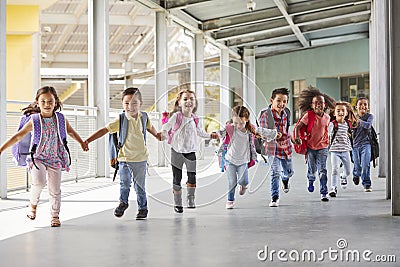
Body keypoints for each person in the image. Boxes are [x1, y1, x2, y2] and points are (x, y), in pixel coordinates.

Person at [0, 86, 88, 227]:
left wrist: (82, 142)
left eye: (50, 101)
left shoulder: (60, 119)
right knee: (39, 183)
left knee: (55, 189)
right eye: (43, 102)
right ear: (37, 103)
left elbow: (71, 132)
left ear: (56, 102)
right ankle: (33, 205)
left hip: (55, 158)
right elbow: (17, 137)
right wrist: (1, 149)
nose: (47, 105)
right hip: (37, 158)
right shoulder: (34, 120)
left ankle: (55, 216)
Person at [84, 87, 160, 220]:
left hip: (141, 159)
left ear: (141, 103)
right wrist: (87, 141)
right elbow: (104, 130)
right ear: (122, 104)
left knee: (140, 186)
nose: (131, 106)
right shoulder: (121, 119)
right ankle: (123, 203)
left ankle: (143, 208)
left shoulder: (144, 117)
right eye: (127, 103)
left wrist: (159, 136)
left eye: (134, 103)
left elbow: (151, 129)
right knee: (124, 183)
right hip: (124, 158)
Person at [161, 89, 218, 213]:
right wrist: (164, 133)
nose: (189, 101)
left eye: (191, 99)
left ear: (195, 102)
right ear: (179, 102)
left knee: (192, 177)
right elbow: (166, 126)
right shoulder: (177, 116)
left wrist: (210, 135)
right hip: (177, 151)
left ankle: (190, 198)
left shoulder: (195, 119)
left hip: (191, 152)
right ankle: (177, 202)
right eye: (185, 99)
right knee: (177, 178)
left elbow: (200, 132)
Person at [218, 106, 277, 209]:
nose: (238, 126)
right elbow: (220, 133)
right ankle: (230, 200)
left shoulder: (250, 129)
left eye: (241, 123)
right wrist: (213, 135)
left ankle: (243, 185)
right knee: (232, 182)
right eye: (236, 123)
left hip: (243, 161)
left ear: (247, 120)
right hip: (230, 160)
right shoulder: (230, 128)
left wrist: (274, 133)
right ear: (233, 120)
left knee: (244, 181)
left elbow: (262, 131)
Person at [293, 86, 335, 202]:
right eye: (316, 103)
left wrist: (329, 140)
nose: (318, 105)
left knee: (322, 170)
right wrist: (297, 138)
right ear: (312, 105)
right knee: (312, 170)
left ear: (325, 105)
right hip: (311, 147)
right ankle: (311, 179)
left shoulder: (327, 118)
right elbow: (298, 127)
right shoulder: (309, 116)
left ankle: (324, 192)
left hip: (323, 147)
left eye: (321, 103)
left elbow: (327, 130)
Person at [259, 87, 294, 207]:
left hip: (286, 147)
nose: (281, 104)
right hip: (272, 148)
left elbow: (287, 129)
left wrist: (292, 138)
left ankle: (285, 179)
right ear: (271, 100)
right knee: (275, 172)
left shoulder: (287, 113)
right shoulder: (265, 115)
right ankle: (275, 197)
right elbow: (262, 132)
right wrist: (273, 134)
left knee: (289, 172)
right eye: (278, 100)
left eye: (284, 101)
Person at [328, 101, 358, 197]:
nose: (340, 112)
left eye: (343, 111)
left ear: (346, 113)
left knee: (348, 171)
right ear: (334, 113)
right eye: (338, 110)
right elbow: (328, 133)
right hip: (334, 150)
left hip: (345, 150)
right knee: (334, 169)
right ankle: (333, 188)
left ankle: (343, 176)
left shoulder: (348, 124)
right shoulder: (332, 124)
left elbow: (350, 134)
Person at [352, 97, 374, 192]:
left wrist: (358, 121)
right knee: (357, 165)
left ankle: (366, 184)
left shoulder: (369, 116)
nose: (363, 106)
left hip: (366, 144)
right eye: (360, 104)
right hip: (355, 145)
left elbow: (368, 126)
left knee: (365, 164)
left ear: (368, 107)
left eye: (365, 104)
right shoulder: (353, 117)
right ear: (356, 107)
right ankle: (356, 174)